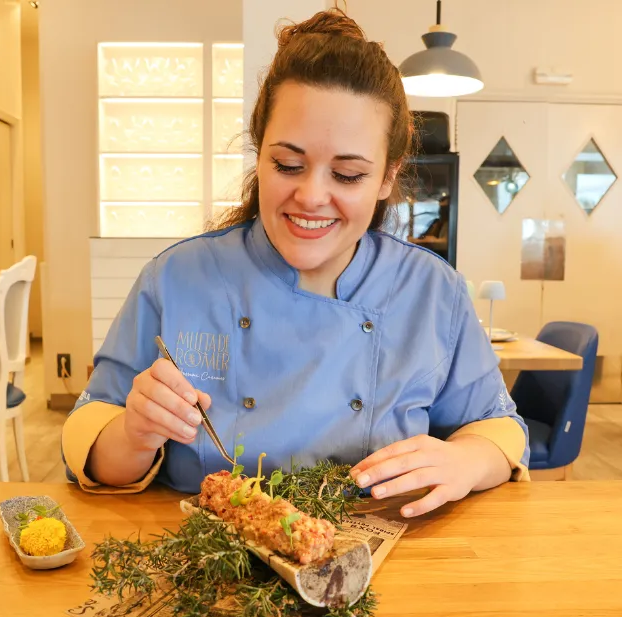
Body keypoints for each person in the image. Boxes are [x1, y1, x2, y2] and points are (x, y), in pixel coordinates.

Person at [61, 8, 530, 518]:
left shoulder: (432, 290)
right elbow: (93, 437)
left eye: (348, 175)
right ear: (259, 153)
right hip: (200, 569)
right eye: (288, 165)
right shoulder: (176, 279)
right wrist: (135, 432)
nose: (311, 196)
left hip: (379, 568)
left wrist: (464, 459)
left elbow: (499, 427)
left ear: (388, 178)